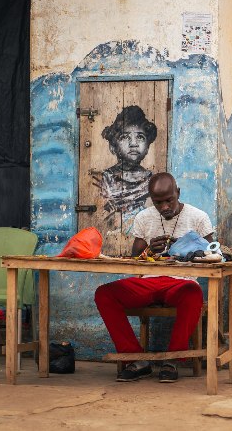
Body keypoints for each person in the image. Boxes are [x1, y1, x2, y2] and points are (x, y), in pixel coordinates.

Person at [94, 172, 214, 383]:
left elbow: (214, 255)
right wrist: (149, 250)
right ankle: (136, 359)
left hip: (181, 283)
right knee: (104, 294)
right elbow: (134, 260)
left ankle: (173, 360)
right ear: (152, 200)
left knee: (193, 293)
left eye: (169, 200)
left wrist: (187, 248)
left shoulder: (198, 217)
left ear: (178, 193)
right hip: (147, 281)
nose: (165, 207)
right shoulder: (143, 218)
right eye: (159, 203)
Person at [98, 105, 158, 214]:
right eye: (125, 137)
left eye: (140, 137)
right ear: (113, 147)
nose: (133, 144)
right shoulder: (107, 178)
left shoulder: (151, 180)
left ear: (148, 147)